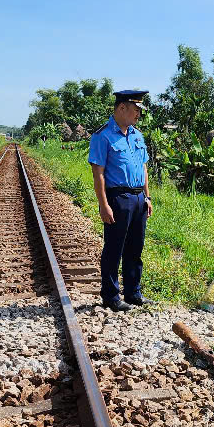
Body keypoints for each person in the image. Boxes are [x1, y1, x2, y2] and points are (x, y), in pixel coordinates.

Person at [88, 90, 152, 312]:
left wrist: (147, 196)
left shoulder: (137, 135)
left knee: (136, 248)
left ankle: (133, 293)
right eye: (136, 110)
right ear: (122, 108)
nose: (138, 115)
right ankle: (111, 296)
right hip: (118, 198)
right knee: (114, 248)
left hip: (138, 198)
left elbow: (143, 167)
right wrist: (103, 204)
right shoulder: (103, 136)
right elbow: (99, 173)